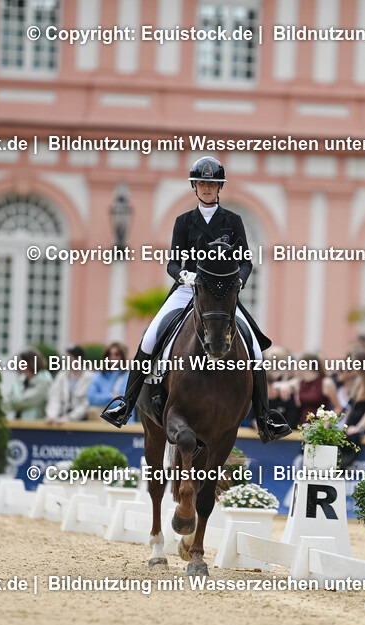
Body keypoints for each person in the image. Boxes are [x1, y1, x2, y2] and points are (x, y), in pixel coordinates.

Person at [101, 156, 291, 443]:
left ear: (219, 188)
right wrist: (186, 277)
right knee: (150, 337)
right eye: (202, 183)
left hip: (222, 295)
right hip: (188, 291)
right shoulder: (184, 222)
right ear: (195, 186)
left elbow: (246, 262)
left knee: (252, 345)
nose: (206, 188)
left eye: (211, 184)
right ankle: (126, 404)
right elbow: (172, 264)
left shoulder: (233, 221)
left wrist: (238, 280)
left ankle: (265, 417)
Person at [45, 345, 94, 424]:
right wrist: (52, 415)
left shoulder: (90, 377)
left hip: (82, 421)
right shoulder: (62, 376)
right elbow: (55, 397)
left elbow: (86, 404)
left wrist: (70, 418)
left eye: (70, 359)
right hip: (61, 420)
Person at [289, 352, 340, 425]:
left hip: (320, 427)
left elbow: (338, 407)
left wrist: (328, 423)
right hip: (303, 425)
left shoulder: (326, 383)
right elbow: (280, 385)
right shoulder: (300, 382)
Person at [4, 348, 53, 420]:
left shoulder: (44, 381)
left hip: (34, 425)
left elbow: (25, 401)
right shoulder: (20, 380)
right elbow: (5, 402)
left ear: (31, 363)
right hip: (16, 423)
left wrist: (14, 400)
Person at [88, 342, 130, 416]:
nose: (113, 357)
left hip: (122, 422)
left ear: (122, 357)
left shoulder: (127, 376)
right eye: (109, 354)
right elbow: (91, 398)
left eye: (117, 354)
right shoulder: (98, 375)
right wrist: (110, 396)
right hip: (101, 423)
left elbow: (125, 403)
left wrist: (102, 400)